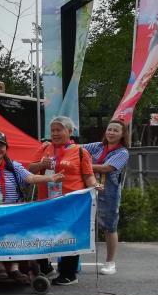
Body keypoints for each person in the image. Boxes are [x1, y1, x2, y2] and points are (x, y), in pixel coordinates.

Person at [0, 131, 61, 283]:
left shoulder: (14, 166)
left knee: (17, 234)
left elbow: (30, 177)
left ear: (6, 148)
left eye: (0, 146)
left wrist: (50, 177)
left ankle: (15, 268)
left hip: (13, 211)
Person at [28, 116, 100, 286]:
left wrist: (96, 186)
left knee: (69, 235)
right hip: (46, 201)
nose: (54, 133)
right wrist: (40, 164)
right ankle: (45, 268)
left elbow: (88, 176)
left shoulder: (80, 151)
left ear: (70, 131)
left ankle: (68, 274)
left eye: (59, 130)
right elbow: (30, 169)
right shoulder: (45, 148)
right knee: (41, 234)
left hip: (70, 202)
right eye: (52, 130)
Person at [83, 119, 130, 275]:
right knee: (80, 223)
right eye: (109, 129)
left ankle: (110, 262)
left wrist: (84, 165)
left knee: (109, 227)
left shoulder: (122, 152)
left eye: (116, 130)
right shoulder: (96, 146)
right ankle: (73, 261)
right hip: (87, 189)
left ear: (123, 134)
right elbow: (75, 151)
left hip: (108, 192)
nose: (111, 133)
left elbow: (106, 168)